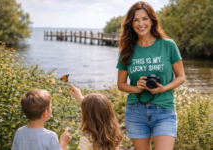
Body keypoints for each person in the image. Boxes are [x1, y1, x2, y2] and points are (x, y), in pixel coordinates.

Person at [116, 1, 185, 150]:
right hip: (136, 111)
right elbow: (121, 84)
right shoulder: (127, 49)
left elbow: (181, 76)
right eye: (136, 20)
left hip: (164, 110)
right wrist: (136, 88)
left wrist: (163, 88)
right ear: (131, 24)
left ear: (152, 20)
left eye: (145, 18)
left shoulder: (168, 45)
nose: (141, 23)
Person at [70, 84, 122, 150]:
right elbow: (96, 109)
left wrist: (63, 144)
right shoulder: (112, 135)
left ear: (86, 116)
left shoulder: (87, 140)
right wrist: (80, 97)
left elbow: (93, 110)